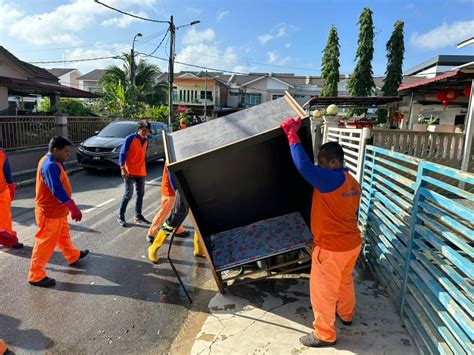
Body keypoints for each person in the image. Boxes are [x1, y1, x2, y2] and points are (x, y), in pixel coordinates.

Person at [281, 117, 362, 348]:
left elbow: (303, 167)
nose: (318, 167)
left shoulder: (330, 180)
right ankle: (346, 315)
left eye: (322, 162)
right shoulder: (352, 182)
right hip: (351, 244)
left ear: (334, 162)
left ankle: (325, 335)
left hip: (332, 249)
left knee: (323, 292)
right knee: (345, 282)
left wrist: (292, 135)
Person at [28, 136, 89, 287]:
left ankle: (72, 255)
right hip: (49, 212)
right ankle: (35, 275)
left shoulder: (55, 161)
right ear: (56, 150)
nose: (69, 154)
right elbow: (56, 189)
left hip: (58, 211)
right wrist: (72, 206)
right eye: (66, 151)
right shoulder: (49, 165)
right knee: (45, 243)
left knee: (63, 235)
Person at [148, 190, 206, 264]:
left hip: (202, 188)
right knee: (175, 218)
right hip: (184, 186)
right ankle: (154, 247)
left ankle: (199, 249)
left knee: (200, 217)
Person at [117, 120, 152, 227]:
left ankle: (138, 216)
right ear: (139, 129)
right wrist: (122, 168)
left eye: (147, 131)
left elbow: (142, 156)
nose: (146, 133)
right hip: (129, 171)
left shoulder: (146, 141)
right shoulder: (130, 138)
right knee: (128, 194)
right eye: (144, 130)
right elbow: (122, 153)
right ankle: (121, 216)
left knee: (141, 194)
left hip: (140, 171)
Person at [146, 162, 187, 243]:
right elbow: (171, 176)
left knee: (177, 212)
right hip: (170, 191)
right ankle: (151, 233)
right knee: (164, 212)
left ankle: (178, 230)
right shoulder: (171, 157)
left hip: (174, 191)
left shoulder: (173, 155)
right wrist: (176, 190)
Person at [0, 149, 23, 249]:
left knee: (5, 218)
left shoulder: (1, 153)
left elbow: (7, 171)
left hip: (2, 191)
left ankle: (10, 239)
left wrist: (11, 187)